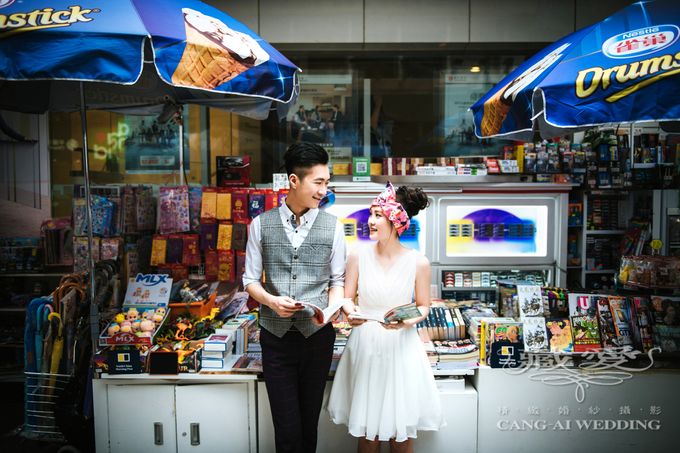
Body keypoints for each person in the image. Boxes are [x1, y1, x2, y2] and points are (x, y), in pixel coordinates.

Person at [243, 142, 347, 453]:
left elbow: (337, 281)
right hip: (276, 339)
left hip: (317, 337)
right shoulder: (260, 225)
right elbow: (249, 281)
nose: (323, 190)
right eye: (318, 182)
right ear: (293, 181)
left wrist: (330, 310)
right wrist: (272, 301)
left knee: (309, 423)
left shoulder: (334, 227)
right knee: (286, 427)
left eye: (326, 182)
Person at [327, 182, 443, 453]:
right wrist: (348, 311)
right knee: (368, 433)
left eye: (378, 215)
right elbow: (346, 297)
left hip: (401, 348)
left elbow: (424, 306)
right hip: (365, 345)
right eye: (371, 213)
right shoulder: (357, 255)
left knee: (400, 434)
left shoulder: (418, 262)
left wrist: (408, 320)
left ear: (396, 220)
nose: (370, 221)